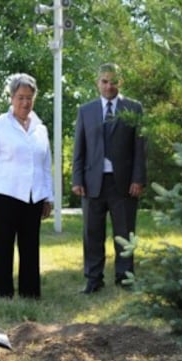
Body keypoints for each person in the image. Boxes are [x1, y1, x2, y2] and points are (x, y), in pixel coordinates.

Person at [72, 63, 147, 294]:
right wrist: (77, 179)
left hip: (123, 182)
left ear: (120, 82)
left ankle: (125, 277)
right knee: (92, 233)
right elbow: (79, 148)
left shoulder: (133, 108)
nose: (109, 86)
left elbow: (140, 148)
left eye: (113, 81)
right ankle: (93, 278)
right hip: (93, 182)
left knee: (124, 231)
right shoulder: (86, 110)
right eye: (104, 81)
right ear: (98, 83)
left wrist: (138, 179)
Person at [0, 73, 53, 299]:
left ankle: (30, 292)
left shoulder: (40, 128)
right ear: (11, 98)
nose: (25, 102)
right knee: (3, 247)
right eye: (20, 97)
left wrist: (48, 197)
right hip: (5, 195)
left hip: (34, 196)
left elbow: (46, 165)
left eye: (29, 97)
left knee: (30, 247)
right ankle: (2, 292)